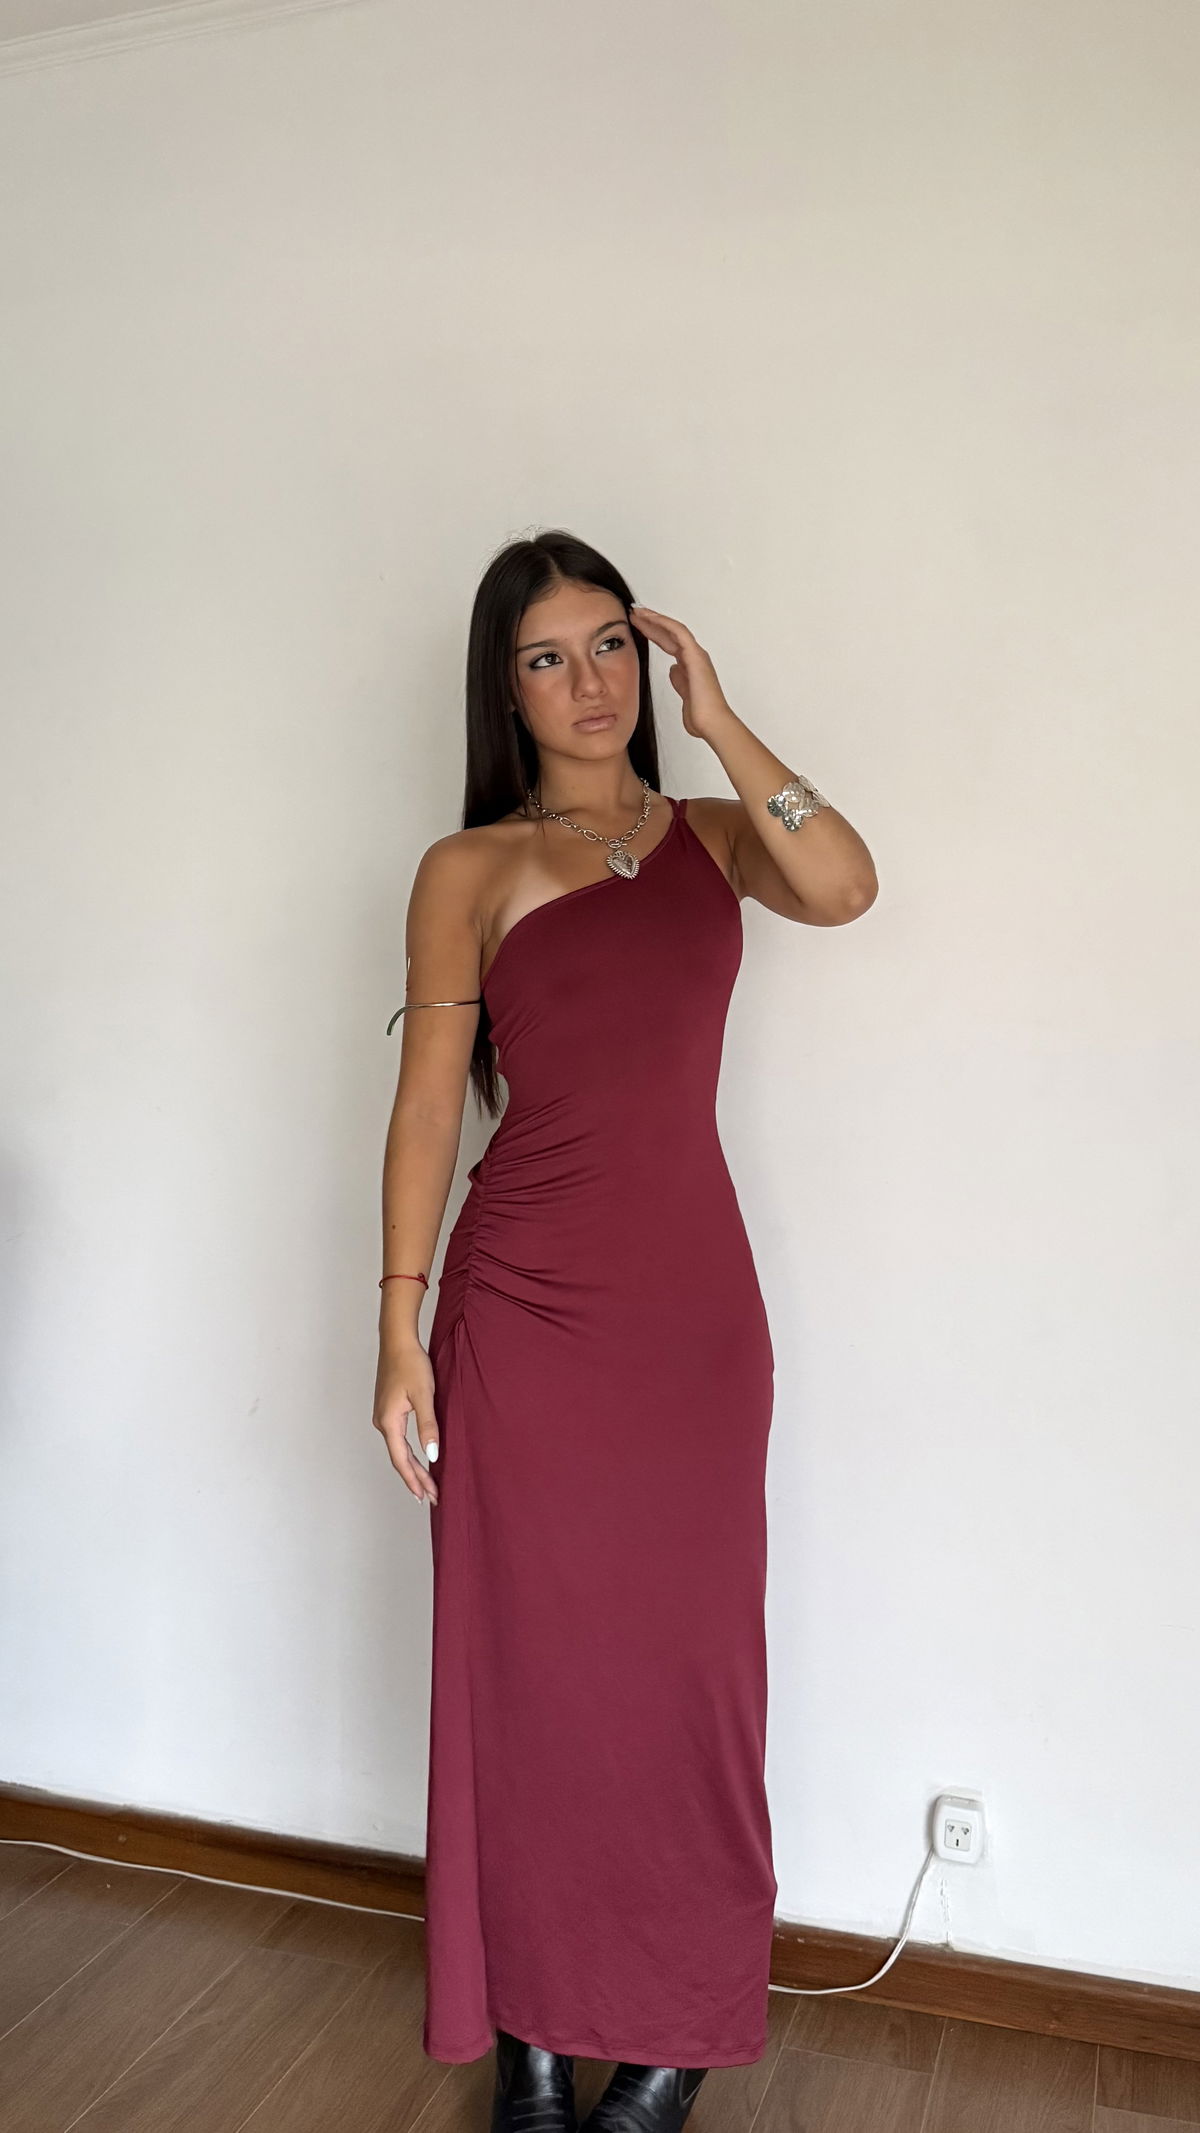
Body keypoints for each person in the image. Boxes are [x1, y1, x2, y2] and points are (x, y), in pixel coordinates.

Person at [373, 529, 878, 2132]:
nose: (587, 682)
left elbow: (847, 883)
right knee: (526, 1680)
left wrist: (720, 719)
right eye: (546, 658)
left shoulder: (717, 836)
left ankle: (668, 2035)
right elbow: (427, 1106)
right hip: (522, 1315)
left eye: (609, 646)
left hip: (692, 1326)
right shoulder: (469, 868)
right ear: (505, 690)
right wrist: (397, 1329)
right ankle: (532, 2031)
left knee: (688, 1680)